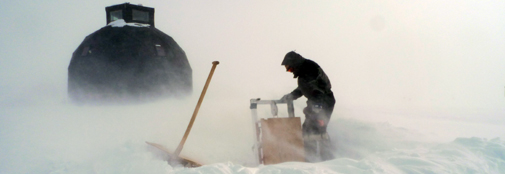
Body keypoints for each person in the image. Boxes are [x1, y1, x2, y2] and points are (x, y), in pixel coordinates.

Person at [280, 51, 335, 162]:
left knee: (315, 131)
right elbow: (304, 88)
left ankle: (323, 159)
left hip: (322, 103)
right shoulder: (304, 71)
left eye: (289, 69)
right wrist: (291, 96)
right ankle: (313, 157)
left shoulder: (309, 70)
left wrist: (317, 109)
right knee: (309, 131)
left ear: (294, 64)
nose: (289, 71)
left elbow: (318, 90)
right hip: (317, 102)